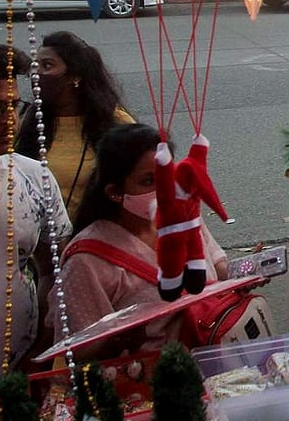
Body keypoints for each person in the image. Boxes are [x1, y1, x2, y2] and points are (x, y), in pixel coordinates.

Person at [53, 124, 228, 355]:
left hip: (217, 359)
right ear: (115, 192)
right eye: (148, 181)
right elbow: (80, 349)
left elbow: (220, 271)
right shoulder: (86, 263)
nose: (165, 189)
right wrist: (122, 341)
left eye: (169, 175)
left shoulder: (184, 215)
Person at [0, 40, 70, 386]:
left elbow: (58, 269)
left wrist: (39, 345)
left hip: (19, 380)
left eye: (14, 105)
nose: (10, 120)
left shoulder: (32, 177)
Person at [15, 31, 134, 218]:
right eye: (35, 66)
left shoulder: (115, 122)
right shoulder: (27, 119)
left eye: (47, 65)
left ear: (75, 76)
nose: (36, 74)